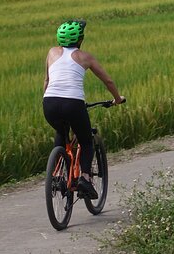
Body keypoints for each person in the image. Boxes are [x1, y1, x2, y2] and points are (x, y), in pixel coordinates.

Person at [43, 19, 124, 199]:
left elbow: (47, 81)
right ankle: (85, 178)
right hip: (73, 104)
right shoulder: (85, 57)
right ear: (80, 39)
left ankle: (56, 176)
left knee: (61, 131)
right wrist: (117, 99)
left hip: (49, 102)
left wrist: (47, 100)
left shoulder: (51, 53)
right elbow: (108, 81)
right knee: (86, 141)